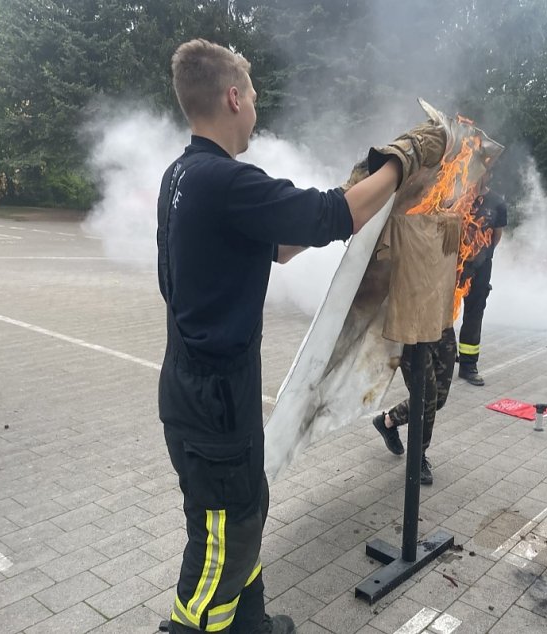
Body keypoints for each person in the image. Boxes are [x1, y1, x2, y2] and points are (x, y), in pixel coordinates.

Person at [156, 39, 445, 634]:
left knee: (242, 511)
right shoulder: (224, 180)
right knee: (223, 538)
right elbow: (328, 218)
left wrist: (359, 185)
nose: (256, 110)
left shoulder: (182, 176)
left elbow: (282, 248)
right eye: (255, 97)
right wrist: (401, 161)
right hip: (214, 401)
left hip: (197, 390)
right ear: (233, 97)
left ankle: (248, 623)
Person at [372, 327, 456, 484]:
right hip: (413, 332)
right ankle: (417, 457)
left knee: (438, 399)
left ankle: (388, 421)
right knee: (426, 398)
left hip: (443, 328)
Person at [457, 187, 509, 385]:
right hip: (454, 262)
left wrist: (484, 254)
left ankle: (468, 365)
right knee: (442, 310)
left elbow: (497, 235)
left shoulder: (496, 202)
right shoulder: (460, 196)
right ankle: (441, 359)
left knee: (474, 312)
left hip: (480, 266)